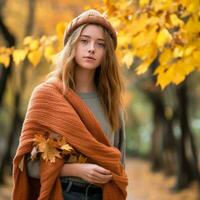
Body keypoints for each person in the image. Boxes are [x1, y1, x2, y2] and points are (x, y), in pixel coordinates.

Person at [12, 9, 128, 200]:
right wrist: (76, 170)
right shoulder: (46, 96)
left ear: (107, 53)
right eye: (85, 41)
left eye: (100, 44)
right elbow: (28, 166)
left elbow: (119, 165)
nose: (92, 48)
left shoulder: (112, 104)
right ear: (72, 45)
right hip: (63, 194)